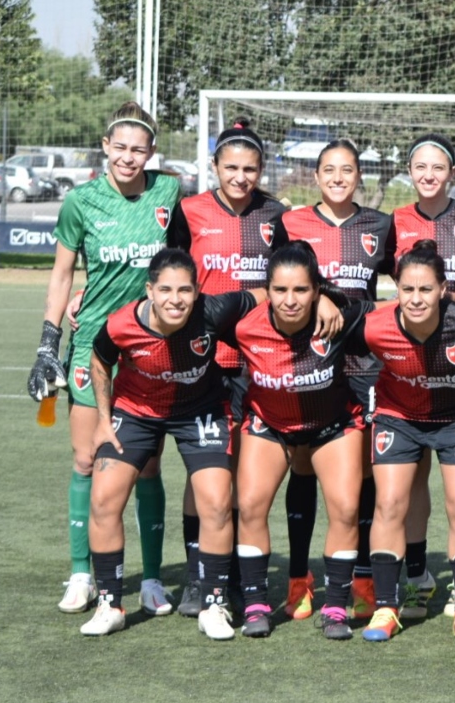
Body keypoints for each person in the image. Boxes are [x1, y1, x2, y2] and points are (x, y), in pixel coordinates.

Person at [166, 118, 332, 617]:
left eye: (250, 169)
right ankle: (199, 577)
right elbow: (167, 275)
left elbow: (300, 272)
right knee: (207, 472)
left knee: (243, 473)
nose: (240, 177)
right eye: (231, 167)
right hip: (201, 362)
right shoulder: (189, 211)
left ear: (262, 170)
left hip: (258, 364)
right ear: (214, 166)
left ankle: (236, 575)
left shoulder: (277, 215)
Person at [28, 101, 178, 617]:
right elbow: (62, 275)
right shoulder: (80, 202)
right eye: (121, 148)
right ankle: (81, 573)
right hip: (92, 342)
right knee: (87, 458)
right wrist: (49, 343)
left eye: (139, 149)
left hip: (149, 348)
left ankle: (154, 578)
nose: (129, 158)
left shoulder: (169, 192)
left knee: (147, 465)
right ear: (106, 148)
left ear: (151, 153)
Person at [81, 249, 263, 638]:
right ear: (149, 290)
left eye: (184, 290)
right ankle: (110, 604)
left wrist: (326, 299)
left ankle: (214, 605)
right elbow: (99, 361)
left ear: (197, 292)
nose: (175, 299)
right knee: (103, 499)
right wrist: (101, 419)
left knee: (216, 502)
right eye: (165, 289)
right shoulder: (121, 324)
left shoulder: (214, 311)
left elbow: (264, 296)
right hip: (135, 411)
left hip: (200, 409)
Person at [269, 139, 397, 622]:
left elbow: (408, 278)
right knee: (303, 463)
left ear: (359, 176)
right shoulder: (291, 222)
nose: (338, 178)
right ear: (316, 175)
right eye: (329, 170)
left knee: (360, 472)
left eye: (347, 170)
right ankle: (299, 578)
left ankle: (362, 578)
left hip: (362, 363)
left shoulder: (380, 225)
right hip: (306, 360)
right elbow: (278, 282)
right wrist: (317, 295)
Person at [351, 240, 455, 644]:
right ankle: (386, 606)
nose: (416, 299)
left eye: (425, 290)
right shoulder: (374, 325)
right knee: (389, 503)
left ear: (442, 290)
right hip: (399, 418)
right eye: (407, 290)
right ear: (396, 289)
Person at [228, 241, 376, 640]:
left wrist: (331, 298)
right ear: (267, 289)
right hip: (269, 423)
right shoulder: (244, 324)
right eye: (280, 290)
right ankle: (257, 603)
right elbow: (188, 315)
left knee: (345, 509)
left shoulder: (338, 318)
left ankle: (336, 606)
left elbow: (395, 315)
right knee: (251, 507)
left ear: (316, 290)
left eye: (301, 290)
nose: (290, 300)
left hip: (333, 424)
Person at [390, 133, 455, 618]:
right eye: (420, 167)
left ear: (452, 173)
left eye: (438, 167)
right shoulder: (393, 223)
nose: (429, 175)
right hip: (408, 366)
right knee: (412, 485)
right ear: (409, 172)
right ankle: (417, 575)